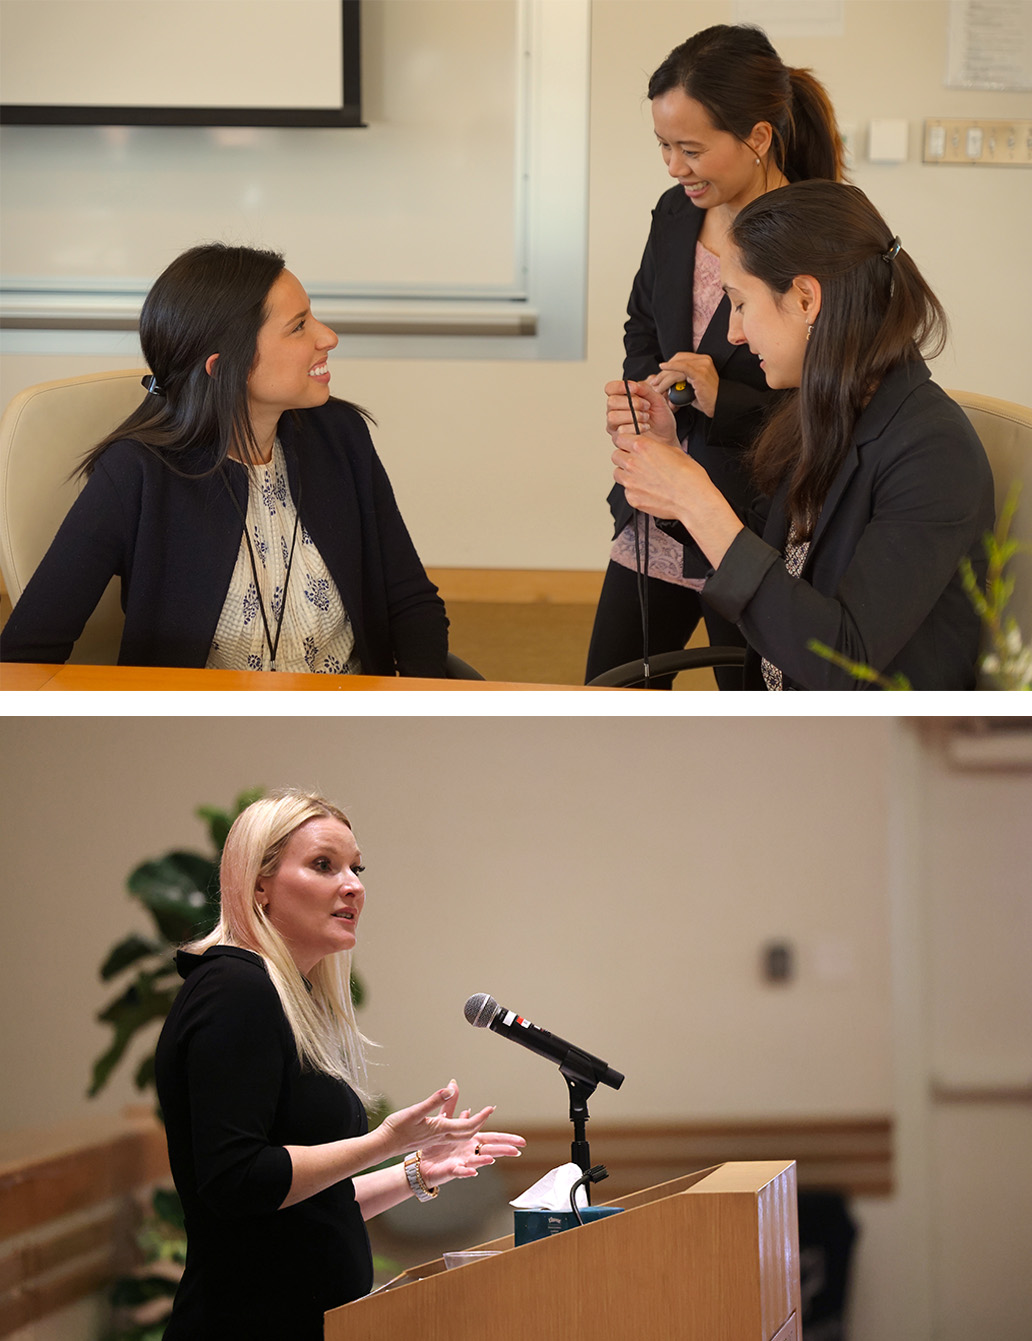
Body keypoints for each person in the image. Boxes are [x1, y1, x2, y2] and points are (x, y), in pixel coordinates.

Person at [154, 789, 525, 1339]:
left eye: (356, 868)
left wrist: (416, 1172)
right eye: (324, 865)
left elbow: (306, 1209)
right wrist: (384, 1142)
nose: (353, 885)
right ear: (259, 885)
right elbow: (238, 1182)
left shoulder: (279, 996)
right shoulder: (235, 990)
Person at [605, 180, 994, 691]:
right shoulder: (827, 408)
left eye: (740, 304)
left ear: (806, 299)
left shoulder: (932, 451)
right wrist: (672, 473)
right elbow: (763, 551)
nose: (734, 333)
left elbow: (842, 663)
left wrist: (696, 502)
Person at [0, 244, 449, 676]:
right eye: (298, 327)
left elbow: (409, 599)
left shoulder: (340, 435)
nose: (328, 337)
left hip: (350, 715)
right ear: (224, 367)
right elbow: (26, 654)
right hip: (204, 724)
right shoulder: (136, 474)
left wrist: (419, 707)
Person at [585, 24, 844, 687]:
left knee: (749, 704)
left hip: (754, 523)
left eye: (692, 149)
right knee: (611, 691)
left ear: (757, 137)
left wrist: (722, 402)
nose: (674, 167)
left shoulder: (821, 237)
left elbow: (834, 395)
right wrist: (651, 397)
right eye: (664, 146)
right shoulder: (676, 214)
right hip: (658, 508)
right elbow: (643, 324)